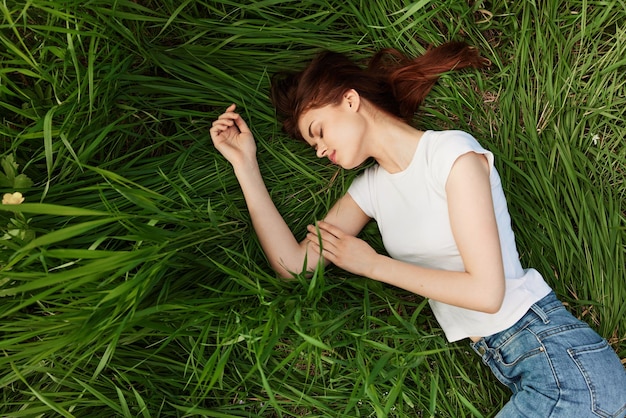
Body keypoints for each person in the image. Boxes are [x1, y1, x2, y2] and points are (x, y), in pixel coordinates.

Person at [210, 42, 626, 417]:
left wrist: (373, 265)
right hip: (523, 366)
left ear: (350, 100)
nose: (319, 150)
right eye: (312, 146)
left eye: (318, 131)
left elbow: (486, 293)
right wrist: (245, 165)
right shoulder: (369, 191)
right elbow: (294, 265)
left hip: (562, 365)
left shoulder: (450, 155)